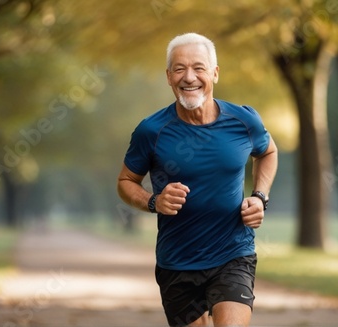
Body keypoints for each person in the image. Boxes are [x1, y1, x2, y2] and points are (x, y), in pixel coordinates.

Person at [117, 32, 278, 327]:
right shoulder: (151, 131)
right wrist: (154, 201)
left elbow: (268, 152)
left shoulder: (243, 122)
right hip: (177, 262)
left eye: (198, 68)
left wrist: (260, 196)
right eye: (179, 68)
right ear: (168, 76)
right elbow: (126, 181)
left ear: (214, 73)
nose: (189, 77)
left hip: (233, 253)